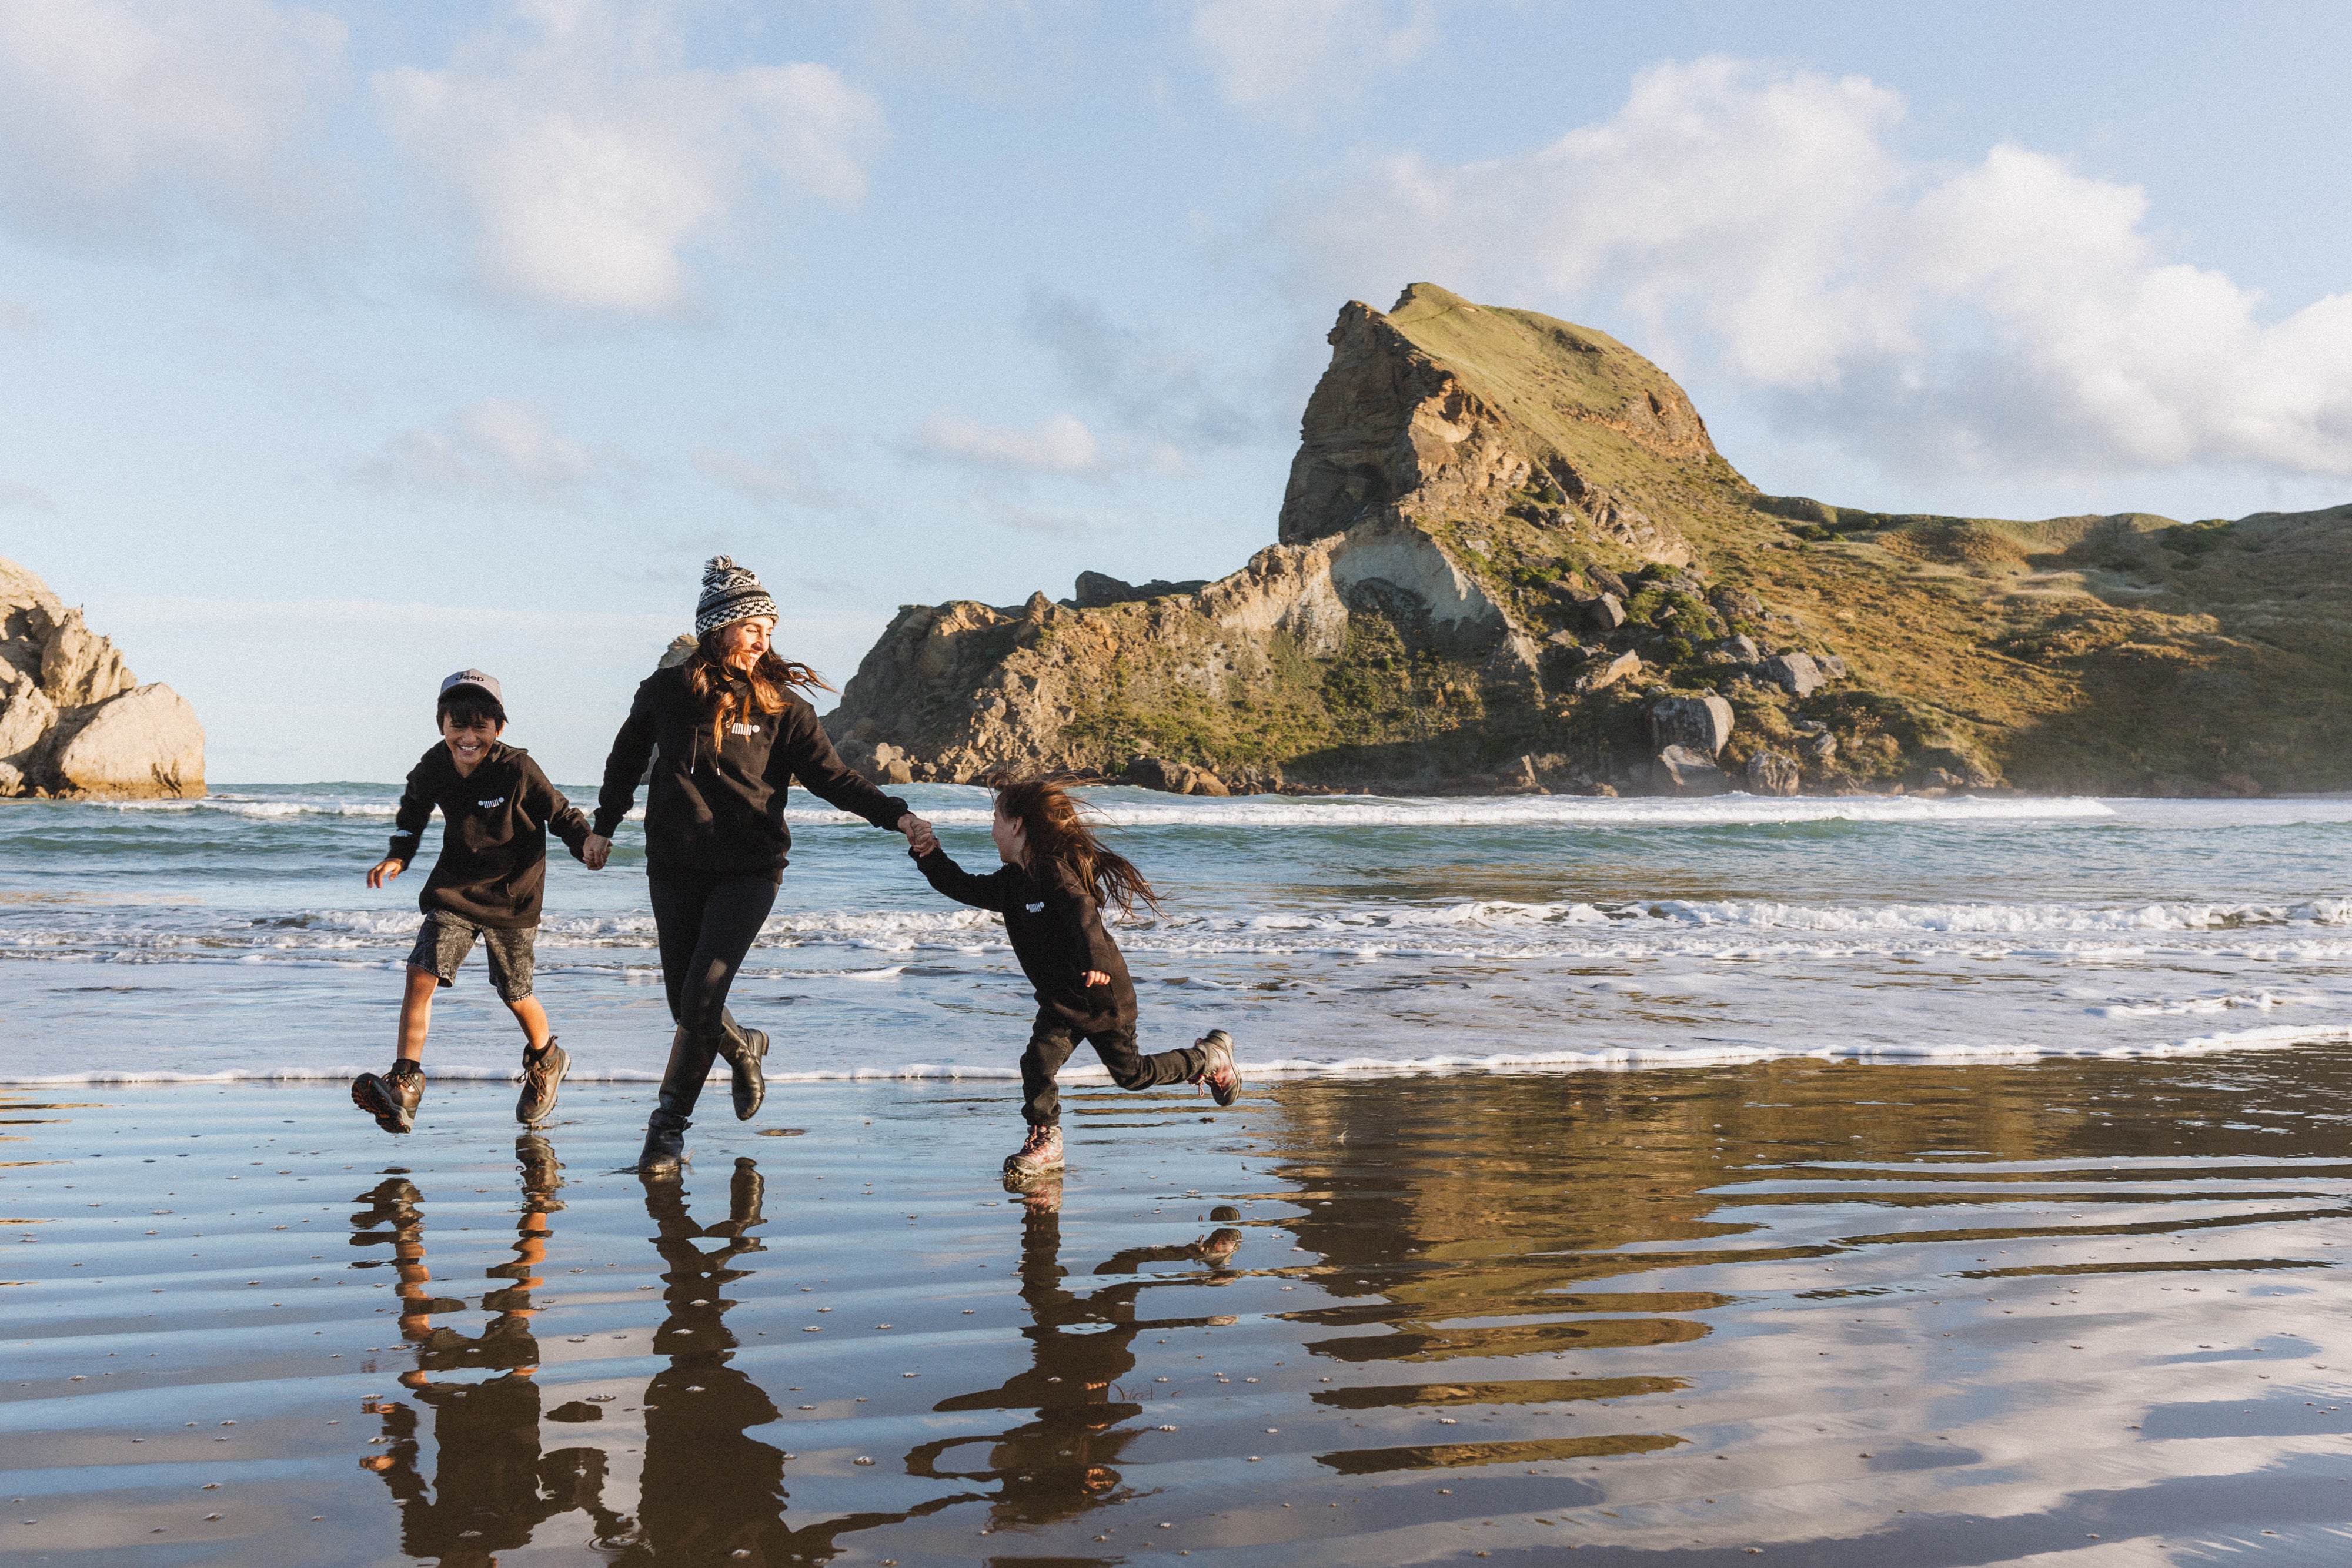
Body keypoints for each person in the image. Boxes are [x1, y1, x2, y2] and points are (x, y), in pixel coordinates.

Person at [583, 557, 933, 1176]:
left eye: (769, 629)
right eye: (751, 627)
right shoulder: (665, 692)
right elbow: (624, 761)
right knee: (685, 1007)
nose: (762, 639)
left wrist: (897, 816)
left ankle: (666, 1132)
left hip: (751, 867)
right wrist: (603, 827)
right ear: (720, 629)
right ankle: (743, 1045)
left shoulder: (783, 708)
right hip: (675, 866)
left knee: (702, 994)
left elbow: (835, 779)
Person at [910, 774, 1239, 1179]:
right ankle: (1046, 1140)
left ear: (1017, 826)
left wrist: (1096, 959)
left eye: (996, 818)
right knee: (1037, 1062)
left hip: (1102, 994)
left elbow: (1082, 910)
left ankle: (1209, 1057)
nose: (991, 828)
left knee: (1132, 1075)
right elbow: (962, 886)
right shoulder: (1013, 880)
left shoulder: (1052, 870)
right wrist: (929, 855)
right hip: (1062, 999)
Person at [355, 670, 590, 1135]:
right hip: (456, 890)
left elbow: (562, 813)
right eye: (456, 725)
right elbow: (413, 811)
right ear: (442, 725)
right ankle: (405, 1083)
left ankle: (547, 1058)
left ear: (498, 729)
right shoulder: (434, 765)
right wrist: (398, 856)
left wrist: (586, 846)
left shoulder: (518, 768)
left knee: (515, 992)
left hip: (512, 894)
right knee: (420, 973)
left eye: (479, 726)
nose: (467, 737)